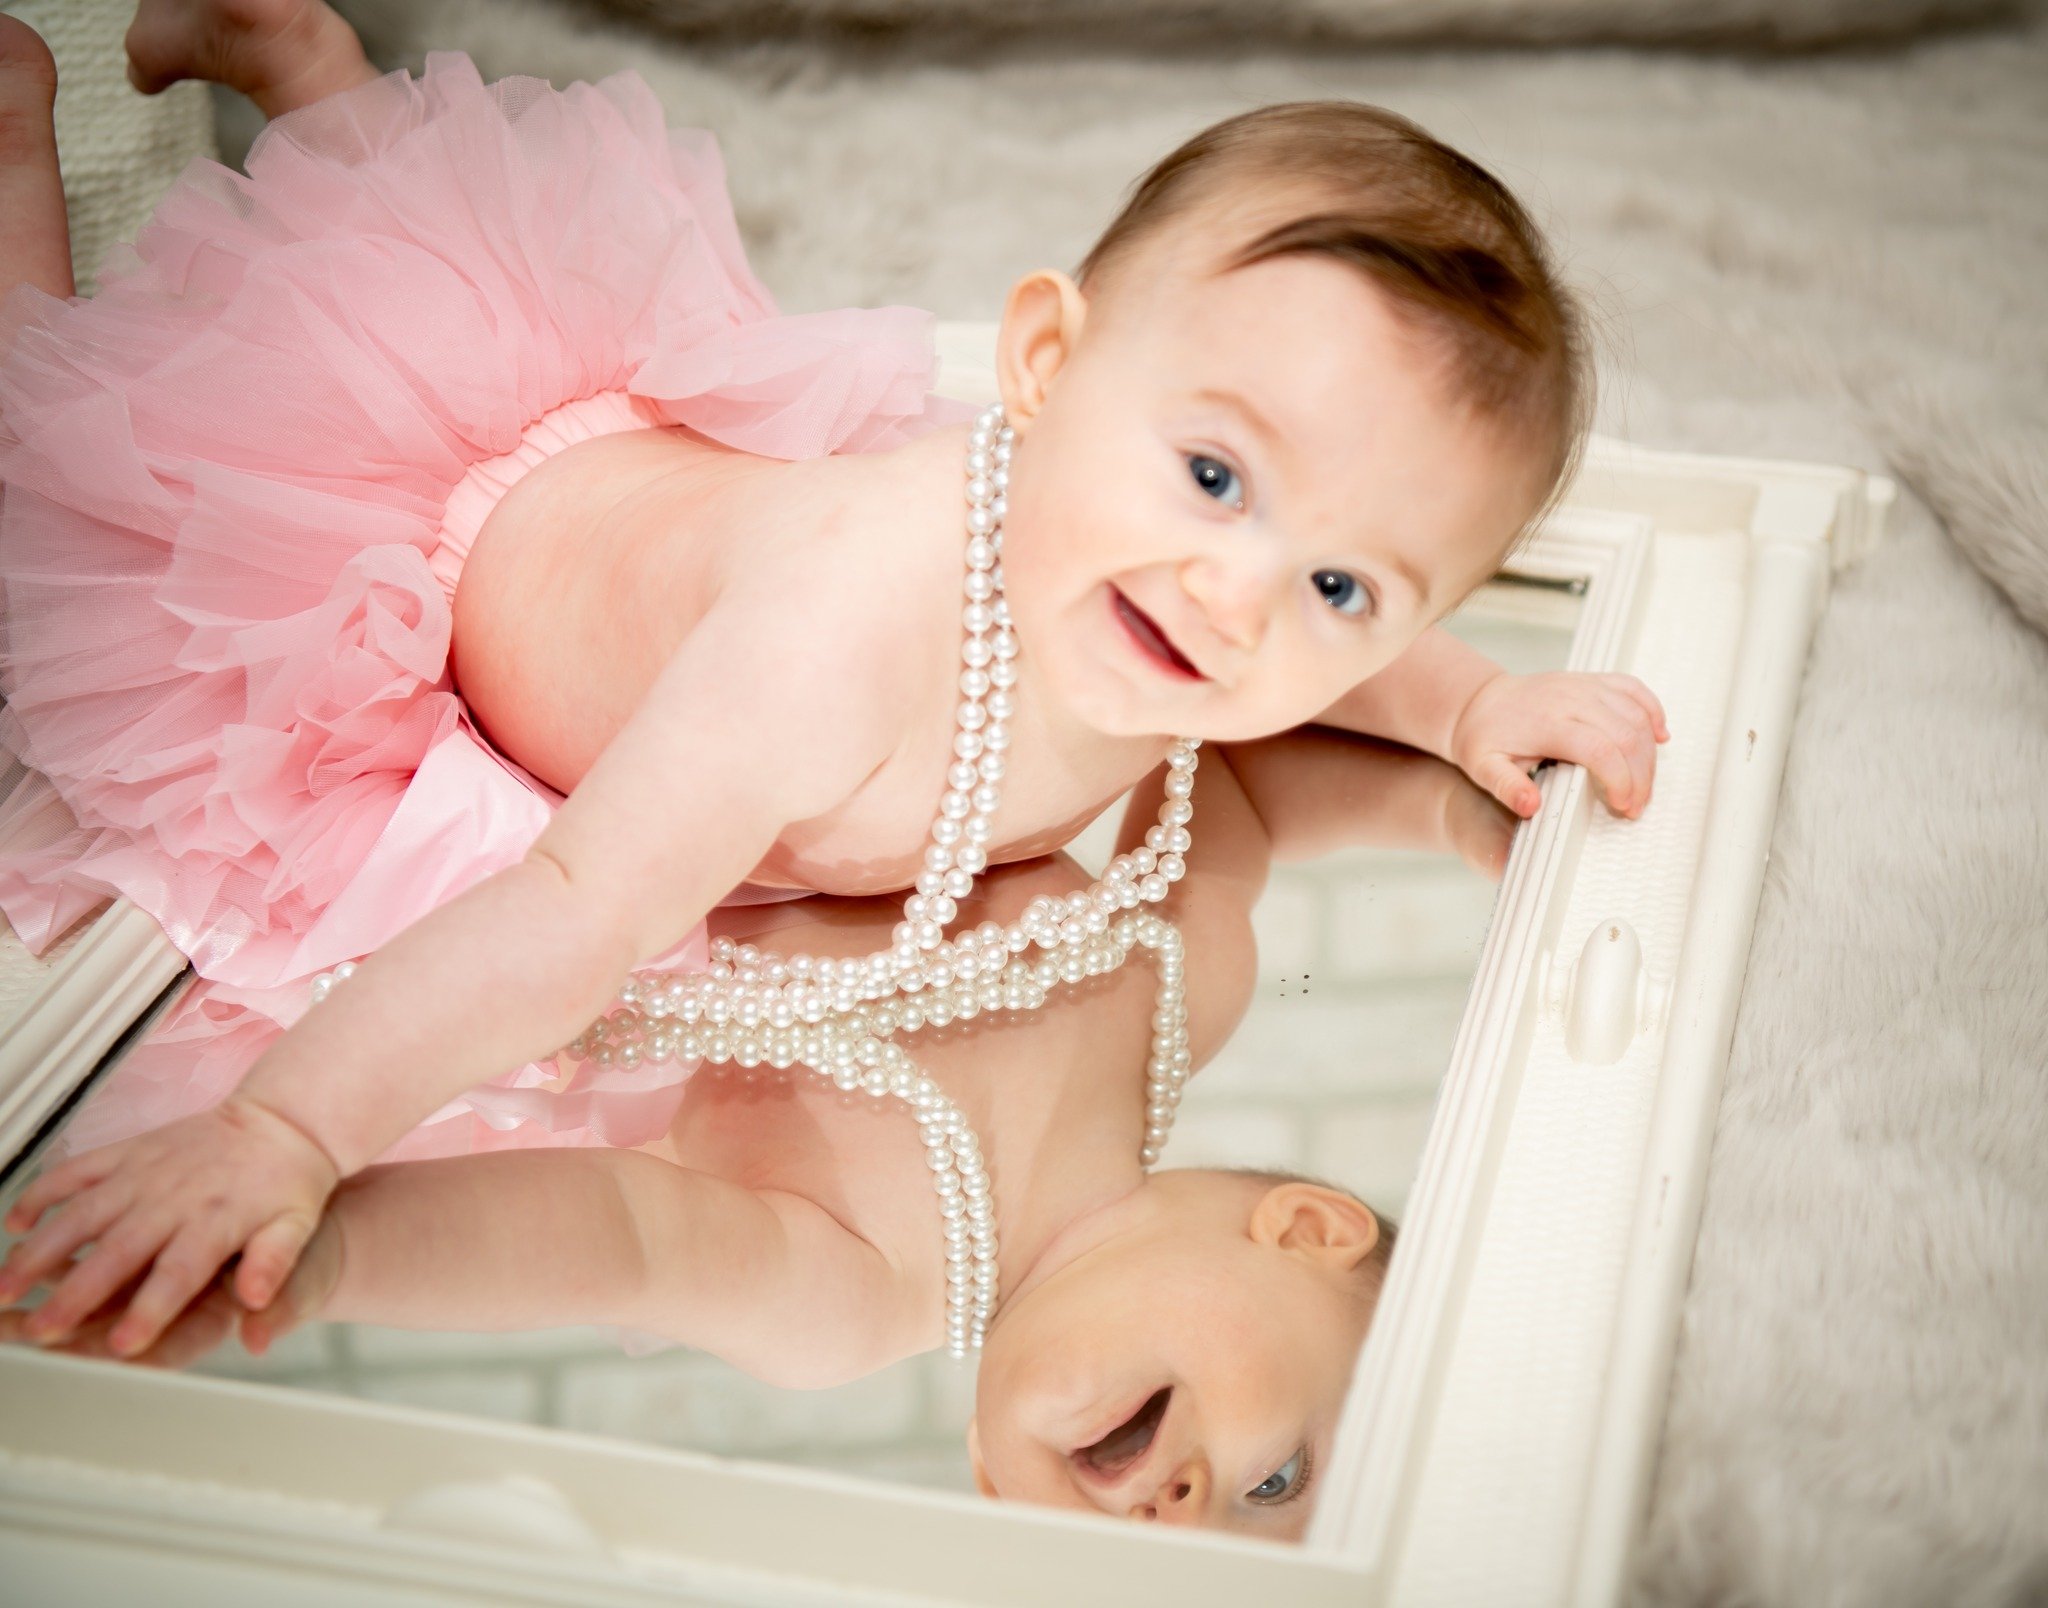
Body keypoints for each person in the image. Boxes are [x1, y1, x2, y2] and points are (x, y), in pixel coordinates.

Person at [0, 2, 1666, 1363]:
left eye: (1341, 586)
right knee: (64, 481)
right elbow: (570, 913)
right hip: (436, 555)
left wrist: (1465, 710)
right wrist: (287, 1136)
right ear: (1044, 363)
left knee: (394, 281)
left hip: (636, 502)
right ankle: (23, 149)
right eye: (1215, 476)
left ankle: (303, 71)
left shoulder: (1151, 626)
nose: (1238, 598)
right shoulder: (851, 634)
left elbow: (1320, 703)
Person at [4, 726, 1511, 1537]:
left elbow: (616, 1236)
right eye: (1278, 1481)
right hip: (695, 703)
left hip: (477, 855)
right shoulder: (1187, 984)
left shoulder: (859, 1296)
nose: (1185, 1523)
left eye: (1158, 1578)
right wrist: (1454, 805)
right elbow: (1238, 779)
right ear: (1309, 1231)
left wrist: (321, 1257)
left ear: (997, 1489)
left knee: (75, 673)